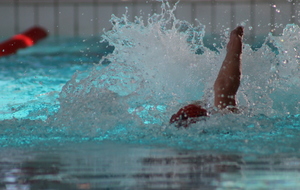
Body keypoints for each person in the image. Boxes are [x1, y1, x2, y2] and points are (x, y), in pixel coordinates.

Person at [170, 26, 244, 127]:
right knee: (223, 94)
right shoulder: (224, 122)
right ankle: (234, 50)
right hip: (224, 125)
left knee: (217, 98)